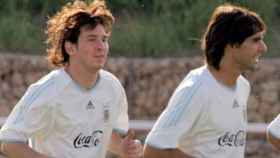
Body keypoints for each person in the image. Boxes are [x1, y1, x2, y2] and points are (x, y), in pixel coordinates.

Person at [0, 0, 142, 158]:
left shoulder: (113, 87)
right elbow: (8, 142)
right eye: (92, 39)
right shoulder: (48, 90)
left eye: (104, 39)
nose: (101, 46)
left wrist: (123, 148)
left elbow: (104, 135)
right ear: (70, 47)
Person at [144, 3, 267, 158]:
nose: (263, 48)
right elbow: (153, 149)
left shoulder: (243, 86)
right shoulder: (197, 88)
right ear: (232, 44)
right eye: (256, 40)